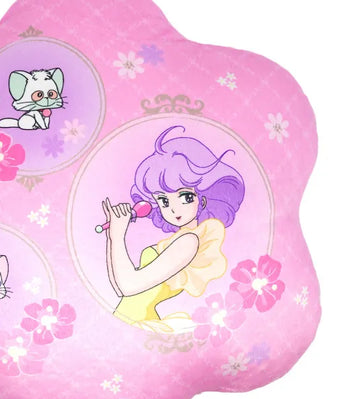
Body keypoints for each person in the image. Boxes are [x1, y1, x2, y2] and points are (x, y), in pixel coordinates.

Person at [102, 126, 245, 333]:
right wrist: (112, 236)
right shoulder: (176, 241)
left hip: (137, 322)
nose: (173, 209)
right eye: (163, 200)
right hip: (126, 321)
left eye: (185, 197)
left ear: (203, 197)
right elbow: (118, 289)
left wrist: (117, 236)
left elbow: (128, 286)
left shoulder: (189, 242)